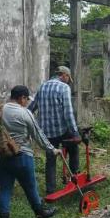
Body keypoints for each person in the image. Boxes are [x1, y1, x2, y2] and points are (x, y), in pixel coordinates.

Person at [0, 85, 61, 218]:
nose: (27, 102)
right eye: (26, 99)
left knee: (5, 189)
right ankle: (41, 213)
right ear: (22, 98)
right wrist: (52, 149)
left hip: (3, 158)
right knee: (30, 186)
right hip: (22, 157)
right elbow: (38, 134)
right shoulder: (25, 113)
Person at [28, 66, 80, 195]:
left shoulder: (42, 87)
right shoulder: (64, 88)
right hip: (61, 130)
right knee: (74, 148)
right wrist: (75, 132)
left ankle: (50, 190)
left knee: (50, 159)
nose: (68, 82)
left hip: (46, 132)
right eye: (68, 79)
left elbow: (31, 108)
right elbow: (68, 112)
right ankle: (74, 180)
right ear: (64, 76)